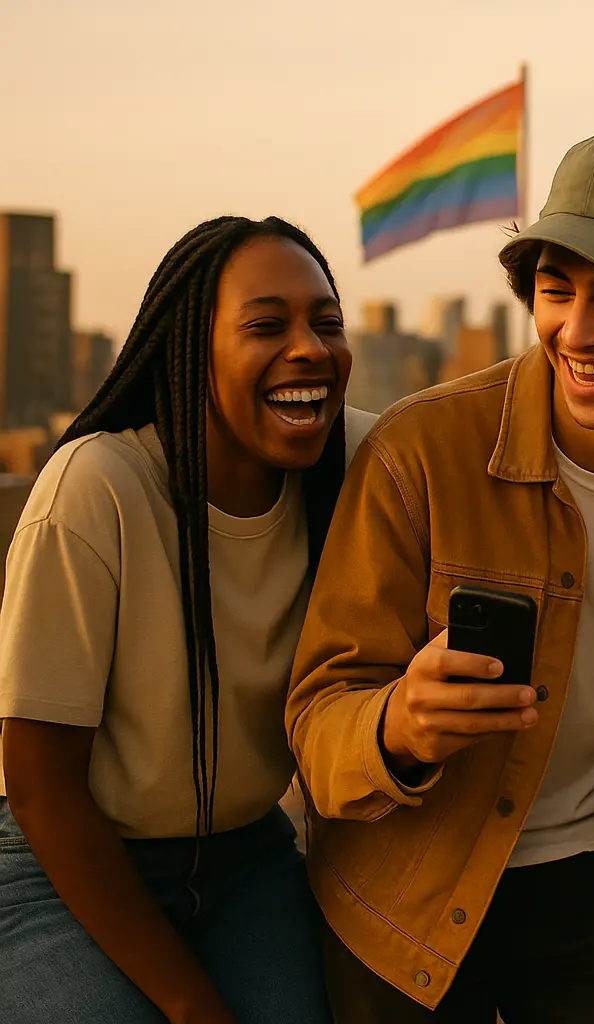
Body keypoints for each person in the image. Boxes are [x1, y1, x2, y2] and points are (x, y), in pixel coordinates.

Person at [286, 126, 594, 1022]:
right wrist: (399, 724)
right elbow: (318, 727)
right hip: (407, 892)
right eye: (556, 291)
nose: (577, 331)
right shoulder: (419, 451)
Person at [0, 216, 373, 1024]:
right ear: (190, 350)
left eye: (327, 323)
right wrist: (187, 1001)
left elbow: (469, 444)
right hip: (63, 863)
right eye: (266, 326)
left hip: (245, 858)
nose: (309, 348)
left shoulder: (356, 461)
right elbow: (39, 785)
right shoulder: (96, 489)